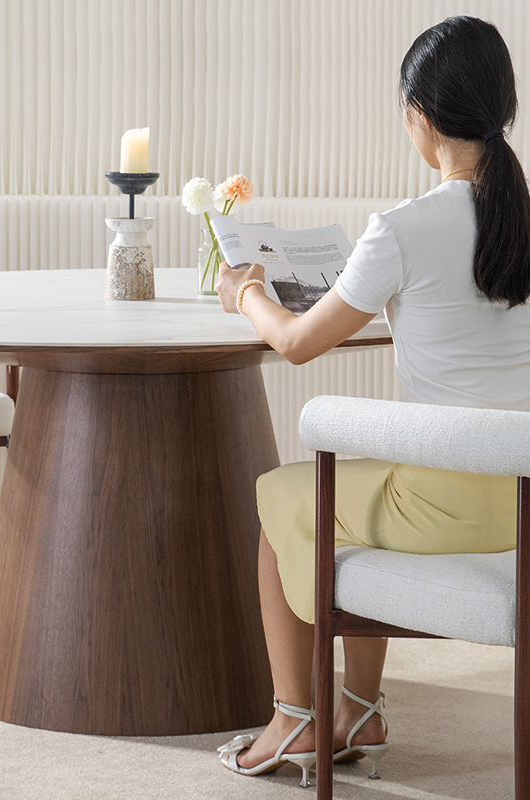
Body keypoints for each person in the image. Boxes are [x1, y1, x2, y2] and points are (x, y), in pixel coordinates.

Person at [214, 15, 530, 784]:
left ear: (419, 117)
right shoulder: (518, 217)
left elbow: (295, 344)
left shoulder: (405, 227)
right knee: (356, 488)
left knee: (281, 495)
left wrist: (245, 294)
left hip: (445, 502)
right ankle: (358, 707)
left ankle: (294, 718)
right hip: (520, 494)